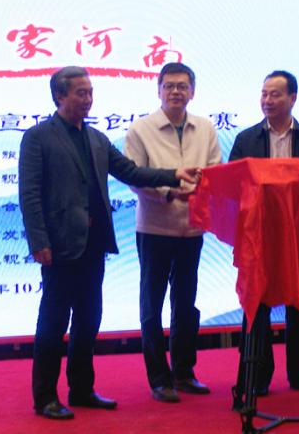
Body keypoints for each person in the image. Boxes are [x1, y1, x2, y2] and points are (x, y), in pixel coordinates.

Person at [18, 66, 200, 420]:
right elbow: (30, 195)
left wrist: (173, 174)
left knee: (89, 319)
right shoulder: (38, 137)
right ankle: (45, 397)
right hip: (59, 245)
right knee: (53, 322)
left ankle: (81, 389)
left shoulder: (96, 138)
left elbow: (130, 171)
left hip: (93, 243)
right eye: (80, 93)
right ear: (59, 96)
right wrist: (39, 241)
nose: (88, 99)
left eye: (90, 92)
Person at [228, 70, 299, 395]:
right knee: (257, 304)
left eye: (275, 94)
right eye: (264, 94)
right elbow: (233, 188)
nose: (267, 100)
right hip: (259, 237)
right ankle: (257, 377)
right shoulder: (246, 139)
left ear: (292, 98)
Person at [124, 62, 222, 403]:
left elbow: (214, 170)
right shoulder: (141, 129)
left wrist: (198, 191)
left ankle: (184, 372)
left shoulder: (205, 127)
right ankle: (158, 378)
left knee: (186, 303)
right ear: (159, 90)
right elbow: (134, 176)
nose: (176, 91)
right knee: (152, 305)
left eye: (182, 86)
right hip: (154, 227)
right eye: (169, 86)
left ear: (192, 91)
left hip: (192, 228)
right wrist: (169, 192)